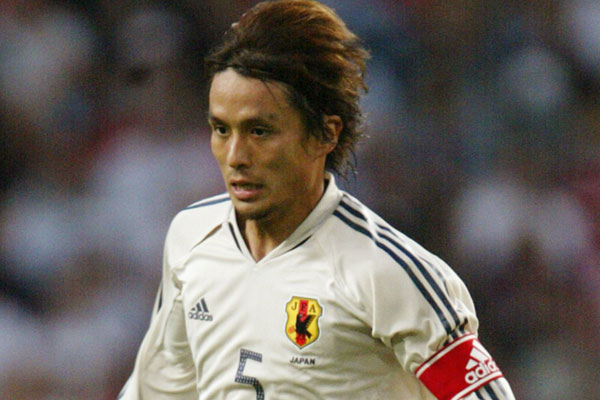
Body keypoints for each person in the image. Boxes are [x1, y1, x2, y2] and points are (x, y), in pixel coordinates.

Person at [119, 1, 515, 399]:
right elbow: (157, 390)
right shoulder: (192, 238)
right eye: (222, 130)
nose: (236, 156)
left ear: (325, 134)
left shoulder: (383, 271)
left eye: (260, 132)